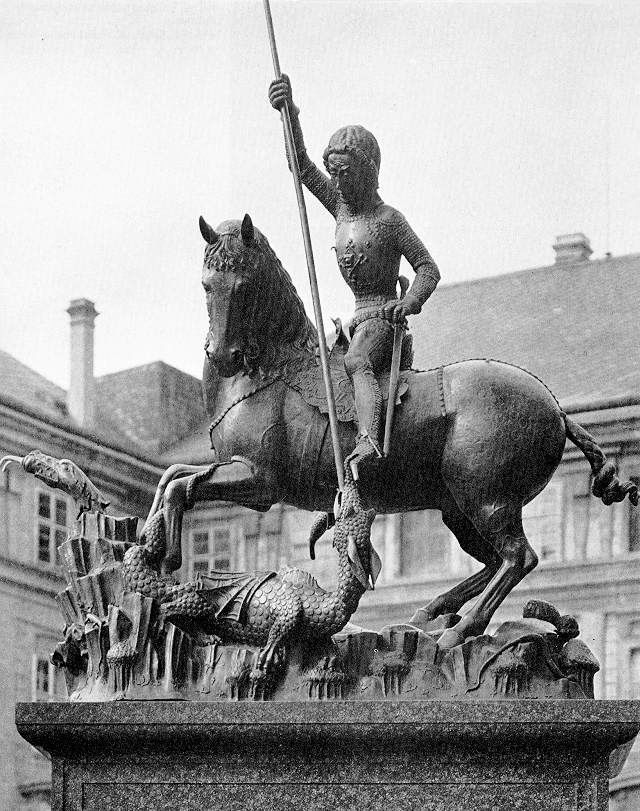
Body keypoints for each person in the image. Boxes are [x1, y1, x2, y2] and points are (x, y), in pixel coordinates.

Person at [269, 75, 441, 473]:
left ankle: (368, 441)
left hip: (383, 317)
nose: (338, 182)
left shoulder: (390, 220)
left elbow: (428, 268)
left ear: (366, 170)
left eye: (346, 172)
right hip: (355, 320)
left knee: (356, 360)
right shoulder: (342, 208)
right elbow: (301, 168)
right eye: (334, 173)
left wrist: (409, 301)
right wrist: (288, 113)